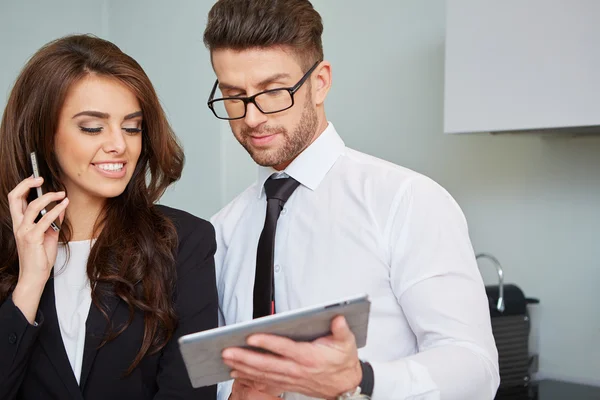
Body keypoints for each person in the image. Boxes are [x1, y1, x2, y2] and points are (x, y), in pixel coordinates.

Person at [205, 1, 500, 399]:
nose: (252, 117)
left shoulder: (407, 201)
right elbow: (219, 374)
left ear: (320, 82)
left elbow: (476, 367)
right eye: (234, 95)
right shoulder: (222, 230)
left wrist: (360, 379)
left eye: (273, 91)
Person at [0, 34, 218, 399]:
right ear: (41, 135)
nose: (120, 144)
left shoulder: (186, 242)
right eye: (93, 127)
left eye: (132, 127)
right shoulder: (9, 252)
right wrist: (30, 284)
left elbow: (191, 392)